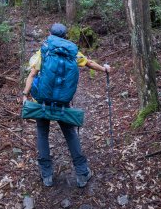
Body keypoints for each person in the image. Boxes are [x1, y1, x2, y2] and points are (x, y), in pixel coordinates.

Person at [22, 22, 111, 188]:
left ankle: (47, 175)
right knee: (70, 134)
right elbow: (89, 63)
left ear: (50, 34)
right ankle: (82, 173)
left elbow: (32, 74)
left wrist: (25, 95)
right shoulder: (72, 53)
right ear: (65, 36)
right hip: (63, 102)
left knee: (42, 133)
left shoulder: (45, 50)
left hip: (42, 101)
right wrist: (104, 69)